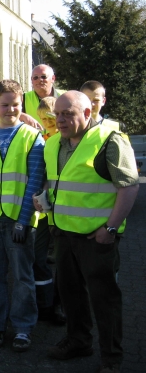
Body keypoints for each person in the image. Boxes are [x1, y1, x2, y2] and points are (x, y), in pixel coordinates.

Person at [40, 91, 139, 373]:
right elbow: (55, 182)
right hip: (63, 233)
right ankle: (78, 341)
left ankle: (111, 358)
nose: (60, 119)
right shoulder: (53, 145)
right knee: (70, 293)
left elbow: (129, 187)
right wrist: (45, 198)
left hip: (96, 238)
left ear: (86, 113)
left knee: (104, 298)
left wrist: (109, 228)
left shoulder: (109, 140)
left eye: (67, 114)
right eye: (57, 114)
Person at [0, 79, 45, 353]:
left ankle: (23, 328)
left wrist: (24, 221)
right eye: (5, 104)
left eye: (16, 104)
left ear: (21, 105)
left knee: (23, 278)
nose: (10, 109)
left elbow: (35, 182)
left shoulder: (32, 137)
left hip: (18, 223)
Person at [32, 96, 66, 326]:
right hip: (45, 212)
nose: (47, 122)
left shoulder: (68, 141)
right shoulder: (44, 140)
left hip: (65, 213)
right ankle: (44, 303)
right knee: (37, 257)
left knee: (65, 263)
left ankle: (59, 305)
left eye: (50, 117)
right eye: (42, 118)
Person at [21, 64, 64, 130]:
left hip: (61, 139)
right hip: (35, 139)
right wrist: (22, 115)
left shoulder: (65, 96)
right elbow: (7, 113)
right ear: (31, 80)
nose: (39, 80)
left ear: (53, 78)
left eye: (43, 76)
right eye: (35, 77)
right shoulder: (23, 98)